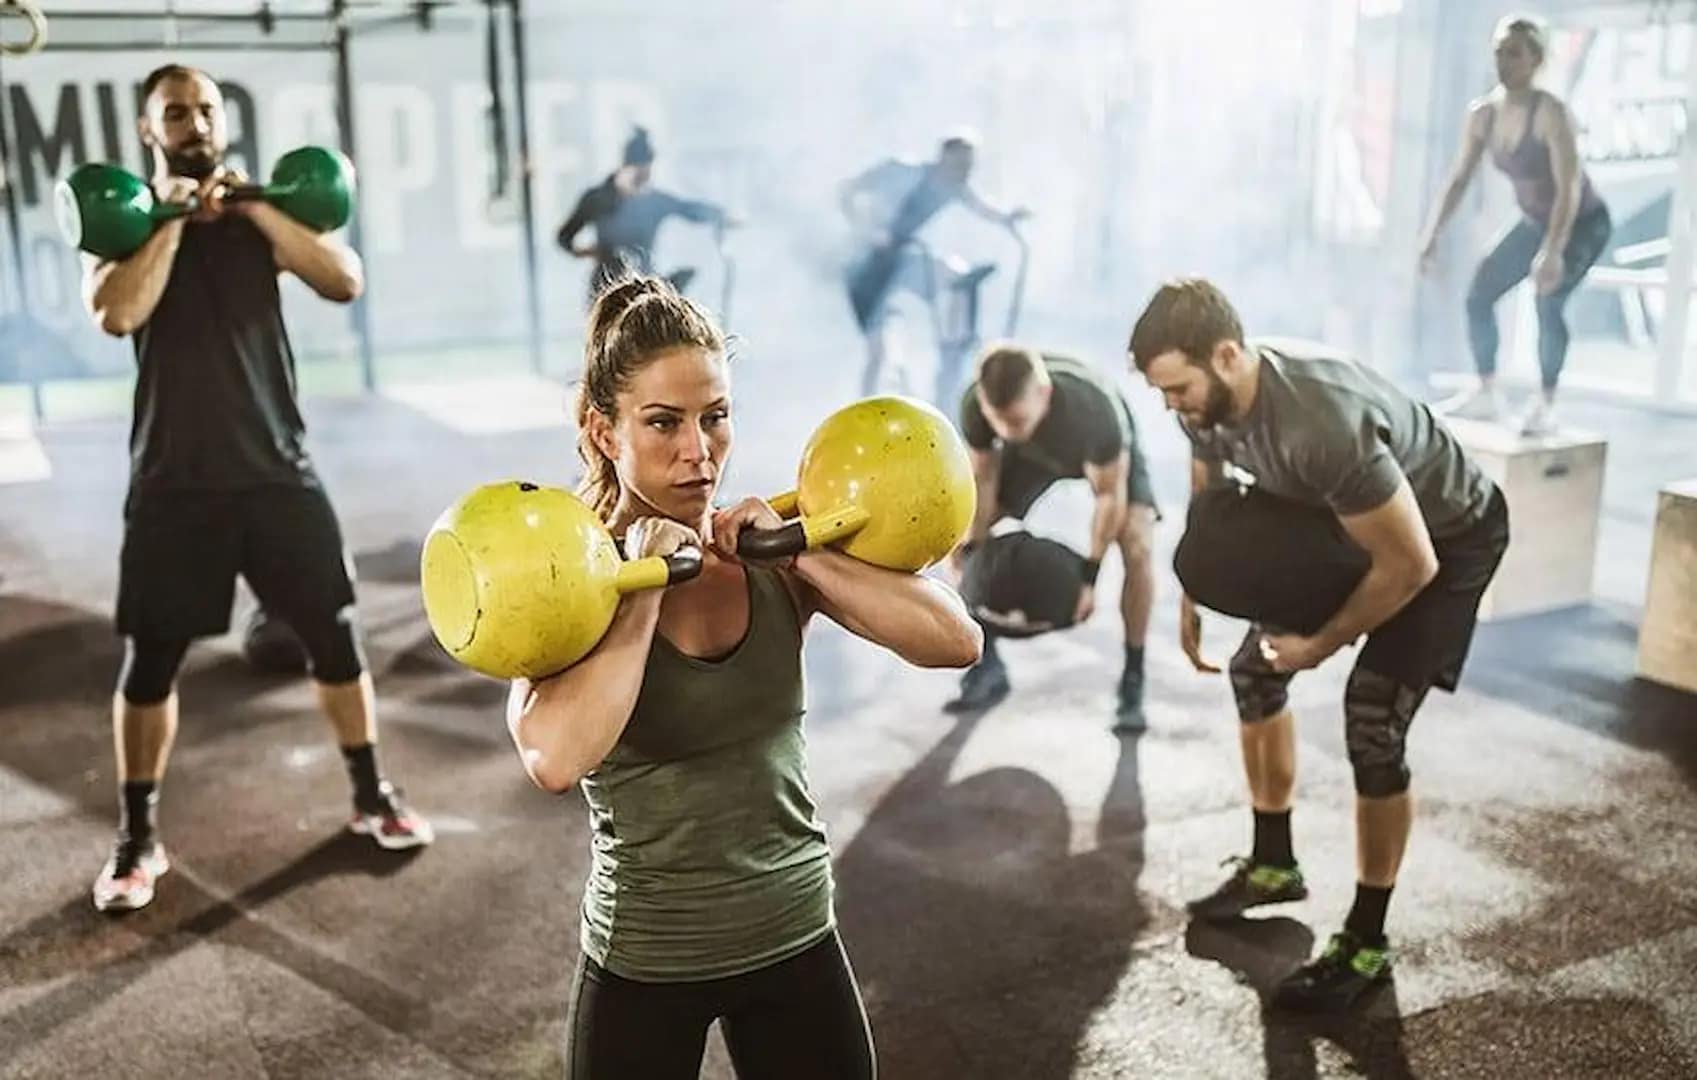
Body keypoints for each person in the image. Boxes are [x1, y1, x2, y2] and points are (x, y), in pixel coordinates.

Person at [509, 276, 981, 1077]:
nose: (698, 451)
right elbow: (553, 757)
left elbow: (954, 640)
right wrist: (643, 593)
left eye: (714, 417)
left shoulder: (770, 560)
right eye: (663, 423)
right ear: (602, 428)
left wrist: (801, 550)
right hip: (647, 960)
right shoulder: (567, 581)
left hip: (794, 936)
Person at [80, 64, 433, 914]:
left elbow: (341, 279)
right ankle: (137, 838)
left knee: (334, 635)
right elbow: (118, 312)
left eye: (204, 108)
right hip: (173, 481)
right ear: (147, 128)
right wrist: (173, 218)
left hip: (276, 470)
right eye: (176, 111)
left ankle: (371, 795)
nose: (194, 121)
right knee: (151, 660)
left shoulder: (259, 223)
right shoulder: (124, 227)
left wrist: (250, 207)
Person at [1128, 278, 1510, 1011]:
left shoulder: (1317, 423)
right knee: (1253, 670)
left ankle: (1367, 940)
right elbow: (1210, 497)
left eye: (1177, 388)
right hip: (1341, 520)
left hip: (1448, 539)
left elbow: (1409, 564)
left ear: (1229, 355)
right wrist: (1195, 593)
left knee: (1371, 720)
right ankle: (1273, 864)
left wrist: (1322, 645)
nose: (1171, 407)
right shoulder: (1201, 406)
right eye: (1160, 394)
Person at [946, 344, 1158, 731]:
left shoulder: (1094, 411)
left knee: (1138, 545)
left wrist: (1089, 579)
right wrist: (971, 553)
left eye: (1016, 420)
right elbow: (984, 478)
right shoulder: (980, 407)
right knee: (960, 537)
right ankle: (986, 663)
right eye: (999, 423)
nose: (1007, 432)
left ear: (1043, 395)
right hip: (1031, 458)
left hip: (1096, 450)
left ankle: (1133, 676)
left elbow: (1109, 497)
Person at [1420, 12, 1613, 436]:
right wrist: (1431, 234)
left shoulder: (1551, 114)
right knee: (1479, 294)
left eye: (1514, 54)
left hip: (1582, 222)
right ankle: (1487, 392)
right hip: (1534, 220)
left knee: (1548, 298)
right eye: (1498, 53)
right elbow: (1459, 179)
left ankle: (1546, 404)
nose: (1503, 63)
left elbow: (1570, 189)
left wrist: (1553, 250)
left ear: (1536, 60)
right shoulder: (1483, 114)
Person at [840, 132, 1028, 398]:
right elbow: (848, 190)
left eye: (968, 167)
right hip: (864, 268)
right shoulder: (901, 171)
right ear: (943, 158)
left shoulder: (953, 187)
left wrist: (1008, 217)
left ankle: (955, 353)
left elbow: (982, 206)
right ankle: (867, 406)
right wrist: (867, 228)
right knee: (880, 352)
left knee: (953, 274)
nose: (963, 173)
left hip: (901, 261)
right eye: (959, 165)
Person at [557, 126, 733, 307]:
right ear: (624, 168)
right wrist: (588, 251)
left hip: (644, 287)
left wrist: (723, 215)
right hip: (605, 290)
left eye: (646, 176)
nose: (642, 183)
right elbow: (564, 236)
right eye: (638, 176)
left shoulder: (654, 200)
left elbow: (689, 209)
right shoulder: (596, 198)